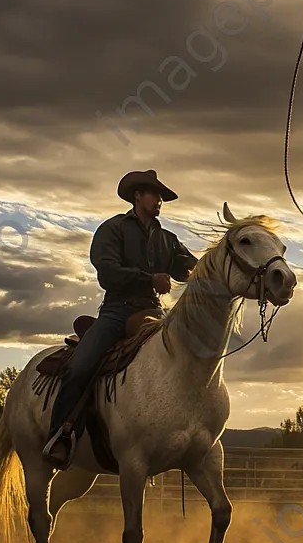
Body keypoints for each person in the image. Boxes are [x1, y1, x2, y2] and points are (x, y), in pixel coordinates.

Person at [42, 169, 199, 469]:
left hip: (155, 313)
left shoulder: (168, 240)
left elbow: (191, 268)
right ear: (138, 195)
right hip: (118, 310)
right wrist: (148, 279)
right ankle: (60, 435)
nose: (160, 201)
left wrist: (219, 265)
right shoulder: (112, 229)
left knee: (190, 360)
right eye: (155, 195)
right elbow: (108, 272)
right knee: (79, 367)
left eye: (162, 198)